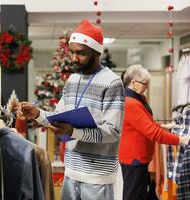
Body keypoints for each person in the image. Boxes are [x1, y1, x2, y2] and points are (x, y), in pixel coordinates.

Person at [18, 19, 125, 200]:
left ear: (96, 52)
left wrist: (73, 131)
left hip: (97, 177)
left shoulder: (112, 83)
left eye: (81, 53)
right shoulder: (72, 80)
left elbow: (113, 132)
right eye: (73, 52)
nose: (74, 58)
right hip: (71, 172)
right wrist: (36, 114)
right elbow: (57, 118)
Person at [118, 64, 190, 200]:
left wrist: (163, 126)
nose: (147, 87)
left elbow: (143, 124)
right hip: (134, 159)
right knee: (133, 196)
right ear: (133, 83)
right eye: (145, 83)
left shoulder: (137, 99)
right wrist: (180, 140)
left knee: (144, 195)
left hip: (138, 158)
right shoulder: (131, 103)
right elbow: (152, 133)